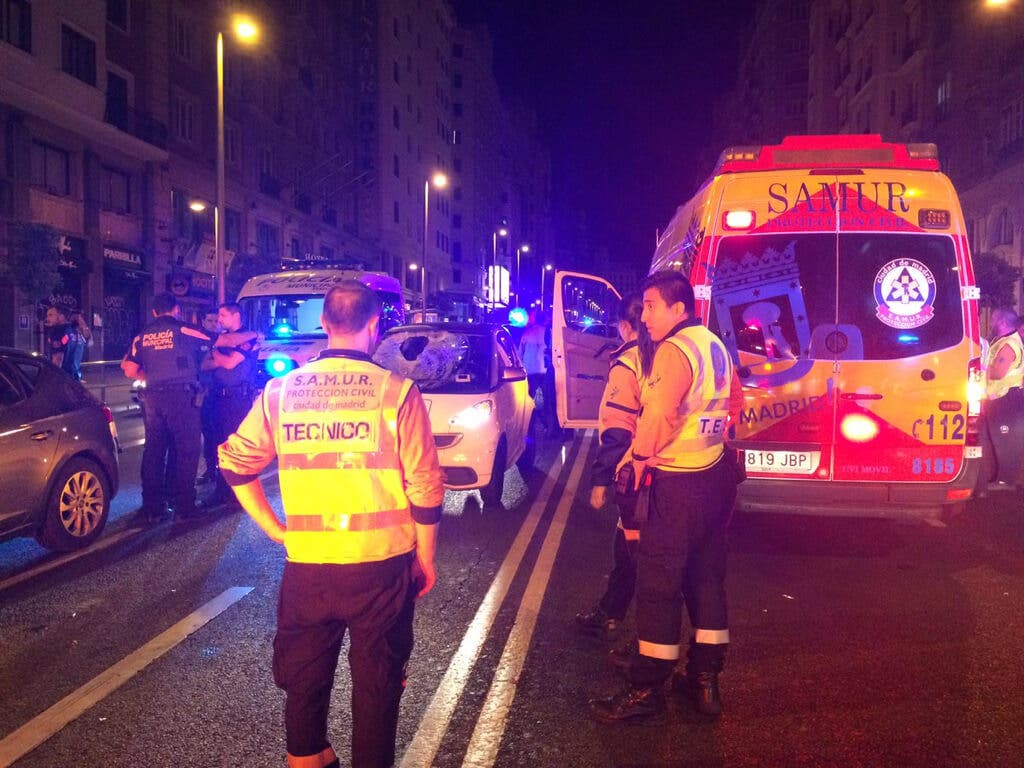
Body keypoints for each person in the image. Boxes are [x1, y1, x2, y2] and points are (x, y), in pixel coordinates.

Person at [218, 280, 444, 768]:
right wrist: (425, 557)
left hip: (309, 570)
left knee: (303, 689)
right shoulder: (397, 392)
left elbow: (236, 464)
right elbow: (425, 487)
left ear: (323, 324)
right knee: (377, 691)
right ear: (374, 325)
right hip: (380, 568)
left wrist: (276, 529)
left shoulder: (280, 391)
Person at [590, 270, 743, 724]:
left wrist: (634, 462)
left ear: (679, 309)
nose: (646, 317)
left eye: (653, 307)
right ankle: (705, 680)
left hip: (676, 484)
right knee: (706, 579)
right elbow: (734, 404)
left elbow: (656, 416)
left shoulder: (674, 350)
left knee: (658, 585)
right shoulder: (714, 344)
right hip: (715, 479)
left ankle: (646, 689)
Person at [575, 293, 653, 635]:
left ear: (625, 327)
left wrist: (600, 481)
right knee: (627, 544)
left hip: (636, 472)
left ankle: (647, 640)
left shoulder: (629, 363)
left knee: (639, 553)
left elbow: (618, 429)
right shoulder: (668, 355)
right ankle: (610, 610)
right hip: (670, 470)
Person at [121, 293, 219, 522]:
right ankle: (184, 506)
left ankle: (152, 507)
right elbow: (216, 341)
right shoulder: (184, 330)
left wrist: (154, 377)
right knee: (188, 449)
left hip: (153, 398)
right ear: (176, 310)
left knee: (154, 451)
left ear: (154, 312)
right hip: (181, 397)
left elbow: (129, 370)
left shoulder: (142, 336)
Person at [199, 302, 258, 509]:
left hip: (236, 400)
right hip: (217, 398)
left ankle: (237, 493)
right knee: (219, 446)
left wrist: (215, 352)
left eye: (223, 315)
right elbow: (204, 364)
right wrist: (218, 355)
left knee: (233, 447)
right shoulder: (224, 340)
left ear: (236, 316)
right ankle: (222, 491)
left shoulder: (248, 338)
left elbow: (230, 363)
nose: (220, 319)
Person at [981, 307, 1024, 486]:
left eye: (994, 320)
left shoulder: (1008, 345)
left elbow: (998, 373)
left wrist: (981, 368)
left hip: (1004, 400)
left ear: (1003, 322)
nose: (991, 323)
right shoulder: (1006, 341)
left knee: (1004, 442)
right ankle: (1002, 477)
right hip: (1001, 399)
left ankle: (1005, 479)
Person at [518, 309, 554, 431]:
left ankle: (528, 424)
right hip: (543, 369)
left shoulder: (527, 332)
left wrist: (521, 365)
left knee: (530, 397)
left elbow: (520, 351)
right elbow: (552, 349)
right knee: (547, 398)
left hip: (529, 368)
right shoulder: (547, 332)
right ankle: (547, 425)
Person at [61, 310, 91, 380]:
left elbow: (88, 338)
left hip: (76, 372)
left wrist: (84, 326)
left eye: (80, 317)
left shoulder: (81, 334)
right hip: (67, 370)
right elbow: (62, 344)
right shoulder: (68, 332)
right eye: (77, 317)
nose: (79, 318)